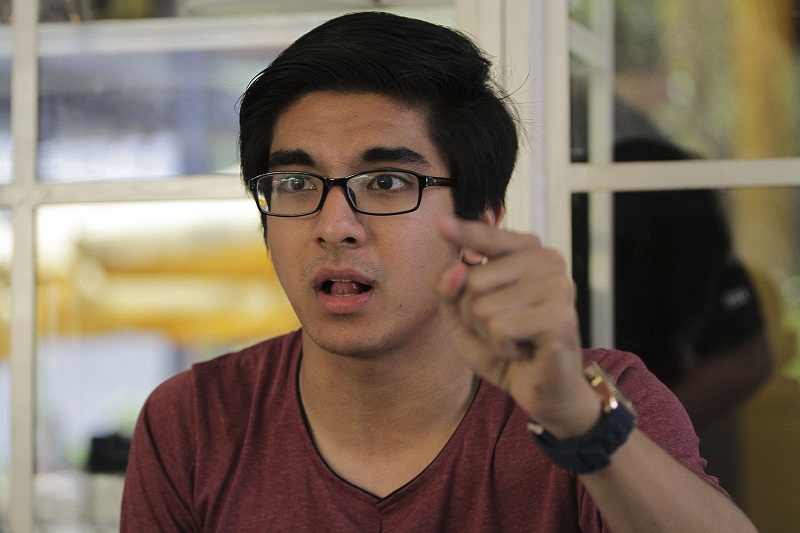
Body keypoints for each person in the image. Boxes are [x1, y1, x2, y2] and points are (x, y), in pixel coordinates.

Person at [121, 11, 757, 531]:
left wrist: (577, 421)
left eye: (388, 180)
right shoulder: (195, 422)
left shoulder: (603, 397)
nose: (334, 224)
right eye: (294, 181)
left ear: (482, 219)